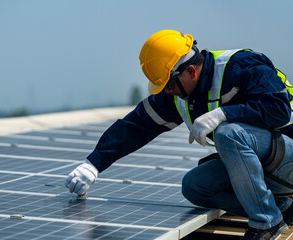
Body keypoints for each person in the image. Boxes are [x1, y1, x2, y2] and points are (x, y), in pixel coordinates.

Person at [65, 29, 293, 240]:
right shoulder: (181, 93)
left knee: (228, 133)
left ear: (190, 71)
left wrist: (224, 114)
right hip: (265, 165)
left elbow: (279, 110)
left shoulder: (242, 66)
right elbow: (136, 125)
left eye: (169, 85)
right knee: (195, 186)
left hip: (288, 153)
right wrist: (93, 164)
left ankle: (267, 223)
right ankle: (282, 207)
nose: (168, 91)